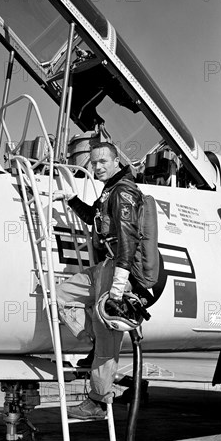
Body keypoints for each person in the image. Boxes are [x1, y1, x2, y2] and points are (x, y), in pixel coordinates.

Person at [54, 142, 142, 419]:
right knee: (60, 295)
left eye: (103, 161)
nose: (98, 167)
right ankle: (93, 339)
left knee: (107, 339)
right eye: (94, 162)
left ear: (117, 161)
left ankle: (98, 401)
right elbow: (95, 217)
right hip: (102, 266)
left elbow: (129, 239)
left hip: (116, 268)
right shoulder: (110, 191)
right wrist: (70, 199)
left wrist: (119, 282)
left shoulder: (124, 193)